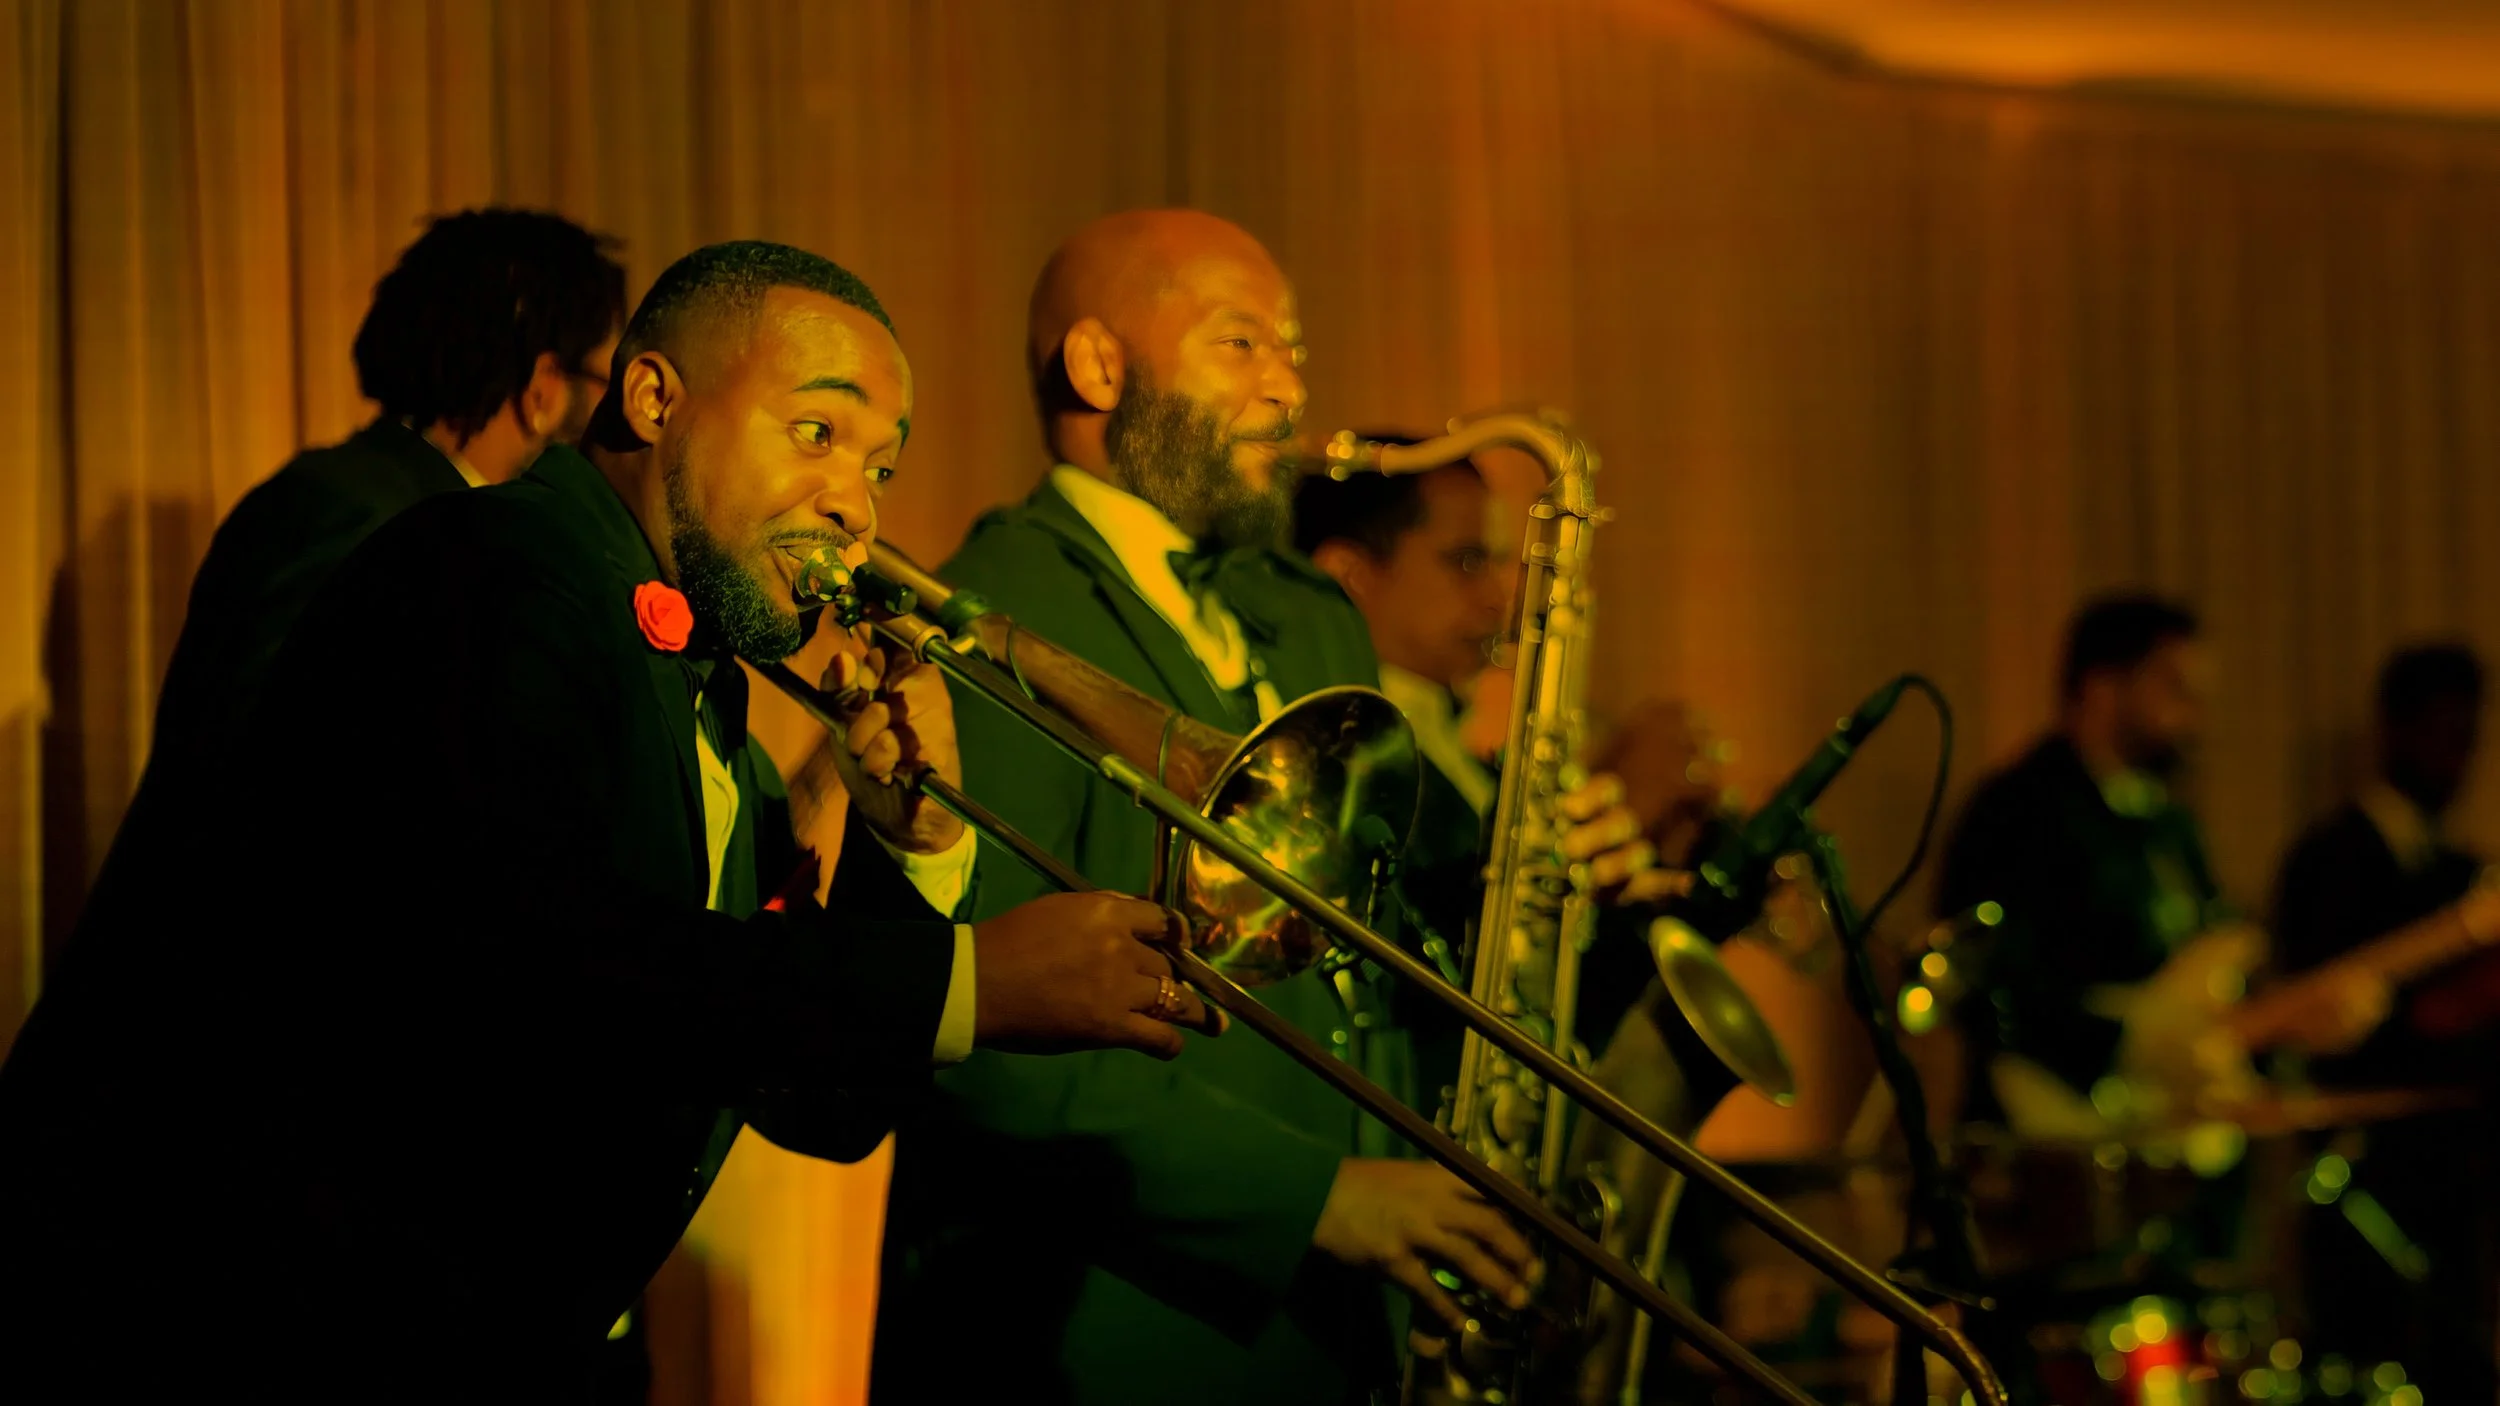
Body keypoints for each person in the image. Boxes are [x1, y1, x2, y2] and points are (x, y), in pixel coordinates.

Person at [0, 241, 1207, 1399]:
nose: (855, 507)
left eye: (880, 470)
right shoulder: (490, 564)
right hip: (274, 1333)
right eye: (817, 433)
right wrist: (972, 979)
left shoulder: (699, 682)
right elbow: (548, 967)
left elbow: (822, 1103)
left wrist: (914, 843)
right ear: (650, 396)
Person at [874, 210, 1636, 1406]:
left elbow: (1367, 943)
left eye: (1292, 350)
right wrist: (1314, 1195)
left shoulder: (1308, 612)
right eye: (1240, 344)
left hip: (1332, 1326)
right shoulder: (982, 615)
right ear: (1098, 365)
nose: (1287, 387)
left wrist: (1542, 873)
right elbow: (980, 1035)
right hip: (1103, 1339)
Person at [2271, 644, 2498, 1398]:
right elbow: (2309, 1021)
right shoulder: (2328, 860)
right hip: (2363, 1182)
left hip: (2456, 1179)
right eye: (2444, 734)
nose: (2458, 759)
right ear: (2395, 730)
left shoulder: (2462, 871)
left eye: (2469, 738)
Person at [1934, 595, 2232, 1131]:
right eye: (2174, 688)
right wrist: (2118, 1041)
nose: (2194, 715)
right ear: (2102, 687)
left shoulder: (2170, 823)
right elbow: (1980, 976)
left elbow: (2207, 947)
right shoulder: (2016, 808)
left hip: (2160, 1121)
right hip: (2047, 1122)